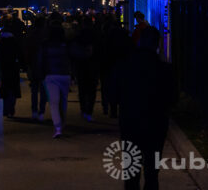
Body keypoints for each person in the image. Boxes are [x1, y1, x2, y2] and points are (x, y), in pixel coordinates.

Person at [113, 26, 177, 190]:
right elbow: (172, 98)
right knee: (152, 172)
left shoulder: (125, 65)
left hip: (130, 122)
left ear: (139, 41)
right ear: (156, 44)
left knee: (131, 171)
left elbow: (114, 94)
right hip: (156, 124)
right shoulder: (165, 69)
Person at [39, 23, 90, 138]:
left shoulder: (45, 45)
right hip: (64, 75)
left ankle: (57, 127)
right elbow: (78, 54)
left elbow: (40, 60)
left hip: (50, 75)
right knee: (63, 101)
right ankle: (62, 123)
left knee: (53, 102)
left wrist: (41, 74)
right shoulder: (67, 44)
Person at [0, 17, 24, 117]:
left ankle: (5, 109)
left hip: (3, 67)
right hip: (13, 66)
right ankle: (11, 108)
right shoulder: (14, 41)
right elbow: (20, 53)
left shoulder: (0, 42)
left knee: (5, 88)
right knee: (13, 88)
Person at [74, 16, 98, 122]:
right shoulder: (96, 35)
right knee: (92, 90)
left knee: (82, 89)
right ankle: (89, 111)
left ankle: (83, 109)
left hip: (81, 65)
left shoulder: (78, 35)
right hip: (93, 65)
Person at [23, 16, 47, 120]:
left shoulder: (31, 35)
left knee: (34, 90)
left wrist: (27, 64)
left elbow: (27, 51)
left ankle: (34, 111)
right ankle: (41, 112)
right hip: (43, 66)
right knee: (43, 90)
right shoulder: (45, 36)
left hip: (33, 65)